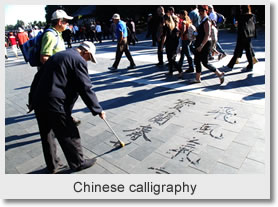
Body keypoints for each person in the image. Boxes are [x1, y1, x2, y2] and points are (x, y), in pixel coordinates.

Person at [28, 41, 106, 173]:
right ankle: (78, 163)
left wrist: (32, 100)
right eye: (89, 57)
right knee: (69, 132)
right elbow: (85, 87)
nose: (88, 61)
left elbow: (38, 76)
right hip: (55, 102)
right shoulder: (77, 60)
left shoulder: (59, 55)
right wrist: (98, 109)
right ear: (85, 52)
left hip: (39, 100)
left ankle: (53, 165)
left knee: (47, 134)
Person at [192, 5, 224, 84]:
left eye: (201, 12)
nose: (199, 13)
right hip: (199, 42)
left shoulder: (207, 21)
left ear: (205, 11)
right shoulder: (202, 20)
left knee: (205, 62)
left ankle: (220, 74)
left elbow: (207, 35)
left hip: (204, 44)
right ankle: (197, 78)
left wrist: (201, 46)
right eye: (199, 12)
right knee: (197, 61)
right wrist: (196, 33)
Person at [224, 5, 256, 72]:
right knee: (248, 51)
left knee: (237, 52)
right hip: (249, 35)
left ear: (242, 9)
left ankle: (230, 65)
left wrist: (236, 24)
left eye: (241, 9)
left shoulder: (241, 17)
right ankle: (250, 66)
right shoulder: (252, 16)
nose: (240, 10)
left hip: (242, 35)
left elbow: (239, 26)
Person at [177, 10, 195, 74]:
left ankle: (191, 67)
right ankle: (179, 65)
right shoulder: (188, 20)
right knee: (183, 53)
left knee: (187, 54)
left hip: (185, 39)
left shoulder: (184, 22)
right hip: (189, 39)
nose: (179, 16)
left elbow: (184, 30)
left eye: (180, 15)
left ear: (182, 15)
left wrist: (180, 34)